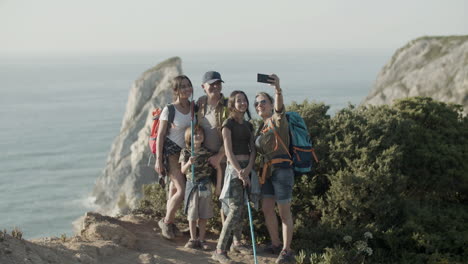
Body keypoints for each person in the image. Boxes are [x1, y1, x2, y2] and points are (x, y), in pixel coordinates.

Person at [255, 74, 295, 264]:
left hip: (282, 171)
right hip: (267, 173)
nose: (259, 105)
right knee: (267, 208)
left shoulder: (278, 121)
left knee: (284, 212)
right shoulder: (260, 127)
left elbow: (280, 108)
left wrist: (277, 89)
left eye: (263, 102)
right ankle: (276, 244)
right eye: (256, 104)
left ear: (270, 105)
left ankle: (287, 251)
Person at [212, 90, 256, 264]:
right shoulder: (228, 124)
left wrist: (249, 169)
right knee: (235, 208)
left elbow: (253, 150)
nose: (242, 103)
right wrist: (240, 171)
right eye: (238, 101)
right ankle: (219, 249)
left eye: (244, 100)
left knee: (242, 207)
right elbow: (228, 151)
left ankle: (236, 242)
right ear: (232, 104)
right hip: (234, 169)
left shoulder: (249, 125)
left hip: (247, 168)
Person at [155, 75, 193, 240]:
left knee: (174, 189)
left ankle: (170, 224)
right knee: (182, 190)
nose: (186, 89)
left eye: (188, 86)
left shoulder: (193, 107)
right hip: (170, 154)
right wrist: (158, 160)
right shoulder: (169, 109)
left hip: (186, 155)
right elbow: (161, 135)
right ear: (176, 90)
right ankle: (166, 221)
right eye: (182, 87)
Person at [180, 125, 222, 250]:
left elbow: (218, 168)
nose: (198, 136)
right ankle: (193, 239)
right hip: (192, 185)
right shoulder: (185, 152)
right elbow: (183, 170)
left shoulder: (207, 152)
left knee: (204, 215)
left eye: (200, 134)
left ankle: (202, 239)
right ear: (188, 137)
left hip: (205, 185)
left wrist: (218, 187)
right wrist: (189, 163)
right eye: (195, 134)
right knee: (192, 215)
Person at [197, 71, 229, 222]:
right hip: (203, 159)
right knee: (200, 196)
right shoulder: (199, 103)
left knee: (225, 198)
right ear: (204, 87)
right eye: (212, 84)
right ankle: (198, 233)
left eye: (218, 83)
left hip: (221, 160)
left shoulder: (228, 105)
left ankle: (229, 236)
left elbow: (231, 135)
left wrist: (220, 156)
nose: (216, 87)